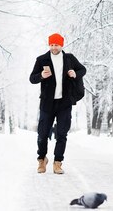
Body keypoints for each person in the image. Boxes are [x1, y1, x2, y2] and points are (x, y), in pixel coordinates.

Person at [29, 33, 86, 174]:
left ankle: (57, 162)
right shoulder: (42, 59)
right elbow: (32, 78)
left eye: (57, 45)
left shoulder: (69, 58)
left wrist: (75, 74)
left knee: (61, 134)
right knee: (42, 134)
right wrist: (41, 76)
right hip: (47, 104)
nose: (54, 47)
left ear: (62, 45)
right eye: (52, 44)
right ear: (49, 45)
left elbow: (82, 70)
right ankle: (42, 160)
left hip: (64, 103)